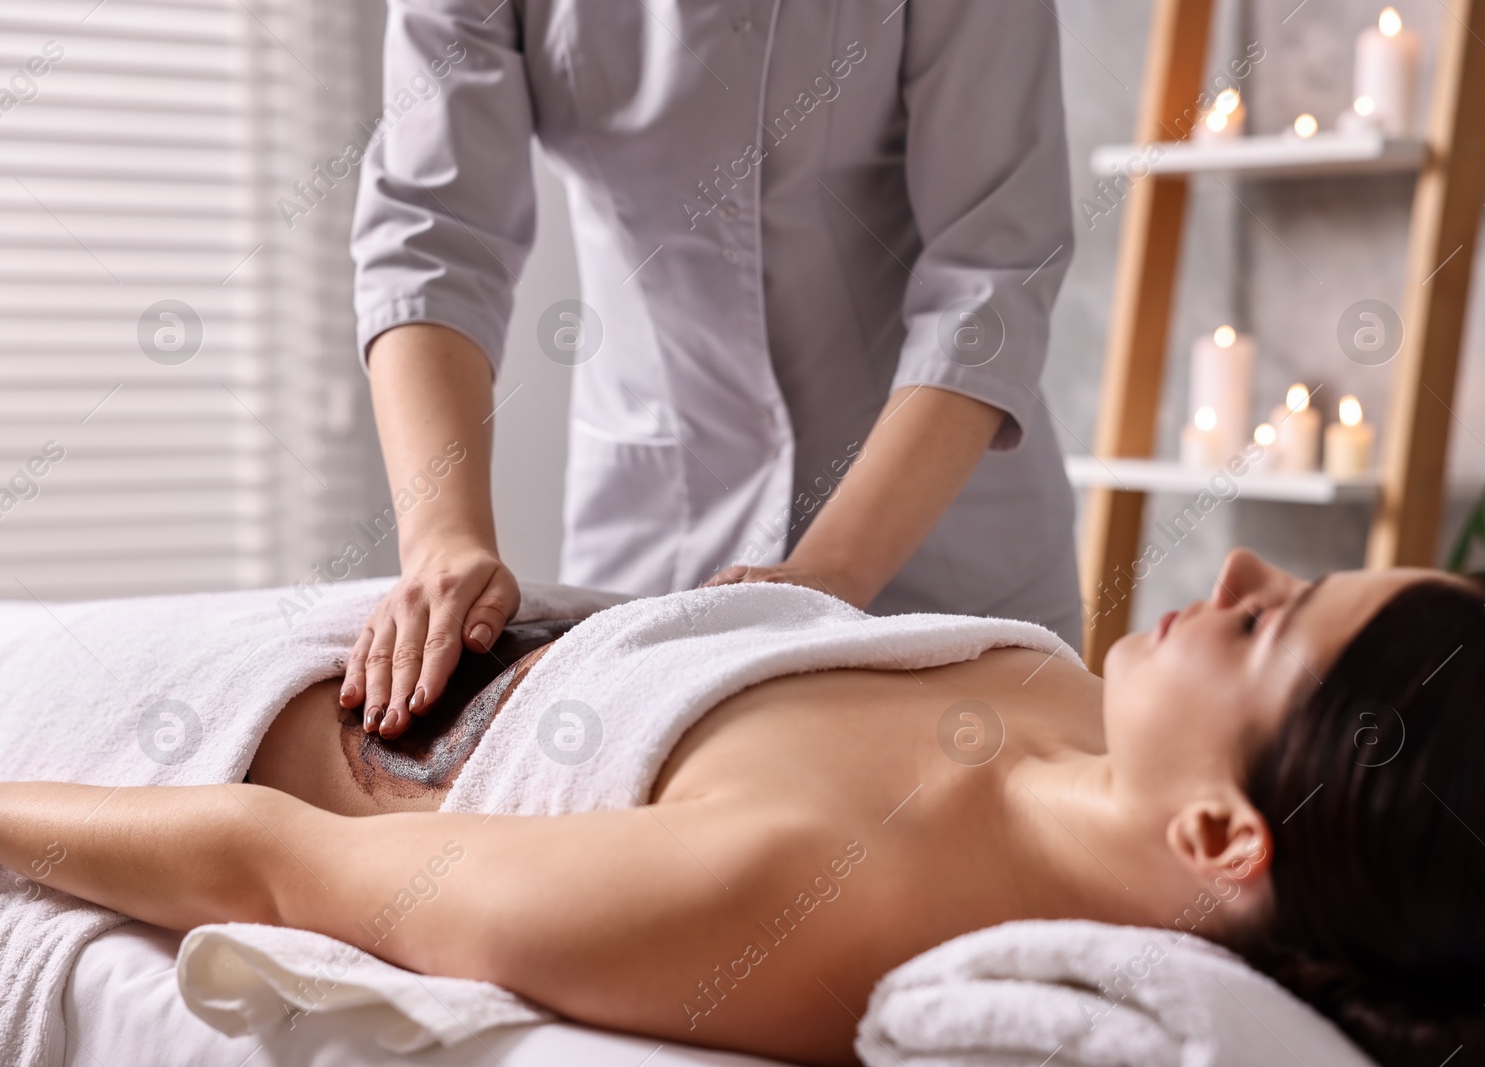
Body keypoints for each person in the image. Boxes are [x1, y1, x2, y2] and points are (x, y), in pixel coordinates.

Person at [0, 550, 1485, 1065]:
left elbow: (286, 865)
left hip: (210, 721)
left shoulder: (800, 891)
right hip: (378, 617)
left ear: (1224, 836)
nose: (1229, 570)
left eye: (1265, 624)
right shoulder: (1065, 708)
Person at [343, 0, 1080, 739]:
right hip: (656, 542)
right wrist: (444, 538)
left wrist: (830, 573)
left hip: (938, 538)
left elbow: (989, 271)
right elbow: (431, 237)